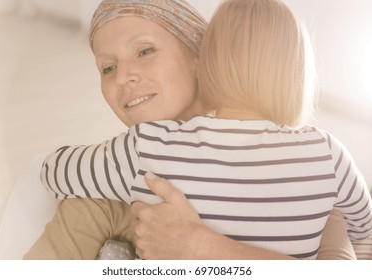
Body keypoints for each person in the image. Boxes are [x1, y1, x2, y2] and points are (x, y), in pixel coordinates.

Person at [26, 0, 358, 260]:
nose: (122, 76)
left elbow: (50, 169)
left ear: (200, 55)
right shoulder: (325, 155)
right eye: (107, 68)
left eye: (145, 51)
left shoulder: (142, 151)